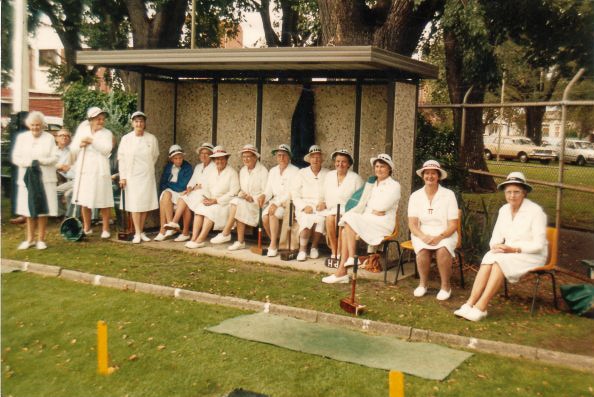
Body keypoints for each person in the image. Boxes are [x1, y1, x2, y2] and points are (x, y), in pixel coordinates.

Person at [454, 172, 548, 321]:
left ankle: (481, 307)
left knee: (499, 262)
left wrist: (514, 249)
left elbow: (539, 245)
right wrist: (496, 246)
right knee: (490, 256)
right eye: (509, 192)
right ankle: (470, 303)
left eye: (516, 192)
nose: (512, 196)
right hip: (510, 252)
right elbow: (496, 237)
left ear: (524, 192)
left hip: (532, 255)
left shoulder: (535, 212)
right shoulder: (504, 210)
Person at [322, 153, 401, 284]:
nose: (379, 169)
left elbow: (382, 206)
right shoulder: (371, 183)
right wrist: (372, 210)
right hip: (370, 218)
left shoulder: (394, 185)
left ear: (389, 169)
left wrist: (374, 209)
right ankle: (344, 269)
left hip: (384, 223)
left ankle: (347, 265)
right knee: (345, 227)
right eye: (377, 166)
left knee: (349, 221)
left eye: (382, 166)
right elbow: (361, 204)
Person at [408, 160, 459, 301]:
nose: (430, 176)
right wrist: (423, 237)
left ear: (439, 176)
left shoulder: (448, 195)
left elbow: (453, 224)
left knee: (442, 250)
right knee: (422, 251)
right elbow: (412, 224)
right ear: (422, 175)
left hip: (445, 232)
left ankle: (445, 287)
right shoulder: (415, 196)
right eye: (427, 173)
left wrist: (440, 237)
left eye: (433, 173)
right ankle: (423, 285)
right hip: (422, 232)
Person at [11, 111, 59, 249]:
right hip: (27, 179)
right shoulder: (22, 138)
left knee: (43, 209)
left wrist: (40, 161)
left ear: (42, 125)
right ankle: (30, 239)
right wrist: (28, 163)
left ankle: (41, 240)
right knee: (28, 209)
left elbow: (55, 158)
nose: (35, 128)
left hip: (45, 179)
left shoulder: (49, 138)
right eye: (32, 125)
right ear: (28, 125)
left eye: (38, 125)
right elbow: (16, 157)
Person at [210, 144, 268, 250]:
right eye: (244, 156)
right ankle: (239, 241)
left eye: (248, 156)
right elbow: (241, 190)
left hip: (258, 205)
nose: (246, 159)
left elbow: (266, 192)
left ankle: (227, 234)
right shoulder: (243, 171)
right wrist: (243, 195)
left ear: (255, 157)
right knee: (238, 203)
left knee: (237, 203)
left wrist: (253, 198)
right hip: (245, 202)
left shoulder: (263, 171)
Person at [70, 107, 114, 238]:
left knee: (103, 201)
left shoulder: (107, 133)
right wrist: (80, 145)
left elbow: (107, 150)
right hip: (85, 170)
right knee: (84, 200)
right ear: (90, 120)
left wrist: (92, 141)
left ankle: (105, 229)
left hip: (100, 171)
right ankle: (87, 227)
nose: (101, 121)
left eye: (102, 119)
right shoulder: (82, 131)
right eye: (97, 119)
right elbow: (73, 149)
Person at [185, 146, 240, 249]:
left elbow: (234, 192)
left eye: (222, 158)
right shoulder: (213, 171)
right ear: (214, 160)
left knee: (209, 212)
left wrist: (216, 200)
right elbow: (207, 187)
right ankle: (194, 238)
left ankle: (200, 239)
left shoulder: (232, 173)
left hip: (224, 204)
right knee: (200, 208)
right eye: (217, 159)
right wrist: (207, 198)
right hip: (212, 200)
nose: (219, 161)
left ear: (226, 159)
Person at [118, 111, 159, 244]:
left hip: (146, 176)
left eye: (141, 121)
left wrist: (147, 169)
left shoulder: (151, 138)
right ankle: (136, 233)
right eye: (136, 121)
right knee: (135, 205)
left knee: (144, 204)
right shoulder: (126, 139)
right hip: (132, 177)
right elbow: (121, 159)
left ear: (144, 123)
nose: (139, 124)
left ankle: (141, 231)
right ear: (132, 123)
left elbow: (155, 156)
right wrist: (123, 177)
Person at [161, 142, 215, 241]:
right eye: (201, 153)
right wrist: (190, 187)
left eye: (206, 153)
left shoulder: (214, 167)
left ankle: (174, 223)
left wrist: (199, 187)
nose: (203, 155)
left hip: (207, 193)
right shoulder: (199, 166)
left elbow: (212, 182)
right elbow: (193, 180)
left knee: (185, 199)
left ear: (211, 155)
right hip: (196, 191)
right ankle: (182, 230)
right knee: (184, 197)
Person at [321, 149, 363, 264]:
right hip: (331, 209)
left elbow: (360, 199)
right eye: (338, 161)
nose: (340, 164)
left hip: (348, 210)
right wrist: (323, 202)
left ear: (349, 164)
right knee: (330, 219)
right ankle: (334, 252)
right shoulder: (329, 176)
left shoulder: (356, 178)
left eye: (344, 162)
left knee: (337, 220)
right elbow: (324, 193)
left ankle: (340, 252)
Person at [258, 144, 299, 257]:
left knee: (272, 213)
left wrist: (276, 204)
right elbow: (268, 191)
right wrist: (263, 196)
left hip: (288, 204)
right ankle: (275, 242)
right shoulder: (272, 171)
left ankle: (272, 245)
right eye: (279, 155)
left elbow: (291, 192)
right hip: (275, 202)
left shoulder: (295, 171)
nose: (281, 158)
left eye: (284, 155)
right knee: (264, 218)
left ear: (289, 157)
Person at [291, 145, 329, 261]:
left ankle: (314, 247)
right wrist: (304, 206)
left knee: (321, 219)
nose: (316, 160)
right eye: (313, 157)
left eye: (318, 157)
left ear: (322, 159)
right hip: (305, 205)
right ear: (309, 159)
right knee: (307, 219)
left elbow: (332, 193)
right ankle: (302, 249)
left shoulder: (328, 174)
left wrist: (325, 203)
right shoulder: (301, 173)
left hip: (320, 206)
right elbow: (295, 194)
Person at [156, 144, 193, 240]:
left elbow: (182, 185)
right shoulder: (168, 167)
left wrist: (169, 185)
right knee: (165, 194)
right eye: (175, 158)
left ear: (183, 157)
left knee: (166, 195)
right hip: (171, 192)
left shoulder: (187, 167)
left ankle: (165, 229)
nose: (178, 160)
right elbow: (163, 183)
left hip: (182, 192)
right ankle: (168, 226)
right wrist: (168, 186)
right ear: (171, 159)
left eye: (180, 158)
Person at [54, 128, 74, 217]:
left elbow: (70, 167)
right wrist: (58, 166)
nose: (64, 137)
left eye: (67, 136)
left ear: (70, 139)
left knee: (55, 192)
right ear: (56, 138)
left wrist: (66, 167)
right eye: (61, 135)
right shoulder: (52, 150)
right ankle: (61, 213)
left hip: (73, 178)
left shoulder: (73, 151)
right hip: (58, 176)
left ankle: (67, 216)